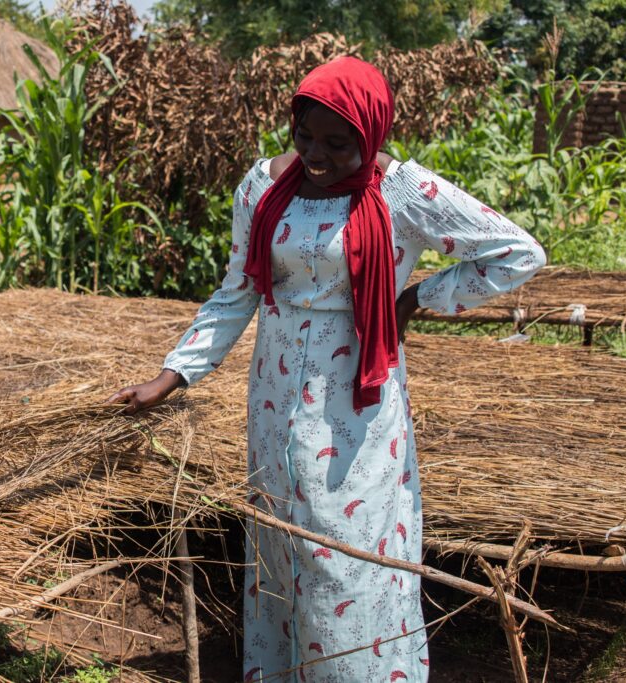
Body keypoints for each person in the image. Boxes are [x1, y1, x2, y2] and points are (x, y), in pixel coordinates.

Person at [107, 56, 546, 681]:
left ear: (372, 135)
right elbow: (238, 292)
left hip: (357, 406)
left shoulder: (403, 192)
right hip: (274, 395)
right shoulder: (263, 186)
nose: (316, 154)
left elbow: (518, 252)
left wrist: (415, 297)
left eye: (338, 143)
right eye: (305, 136)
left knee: (348, 556)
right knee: (281, 540)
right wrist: (172, 374)